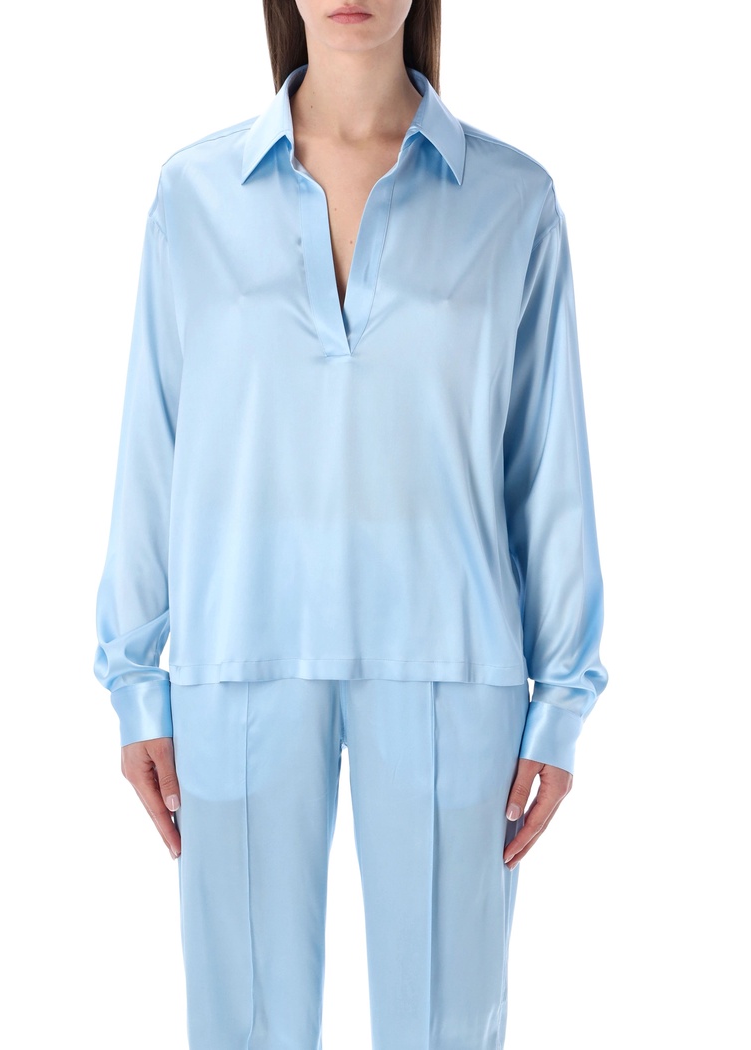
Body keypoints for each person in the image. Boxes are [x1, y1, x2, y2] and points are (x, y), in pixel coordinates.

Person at [93, 2, 609, 1047]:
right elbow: (155, 443)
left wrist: (561, 702)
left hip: (449, 654)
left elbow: (547, 466)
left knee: (444, 1026)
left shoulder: (513, 201)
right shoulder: (192, 195)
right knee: (242, 1026)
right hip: (239, 649)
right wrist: (135, 679)